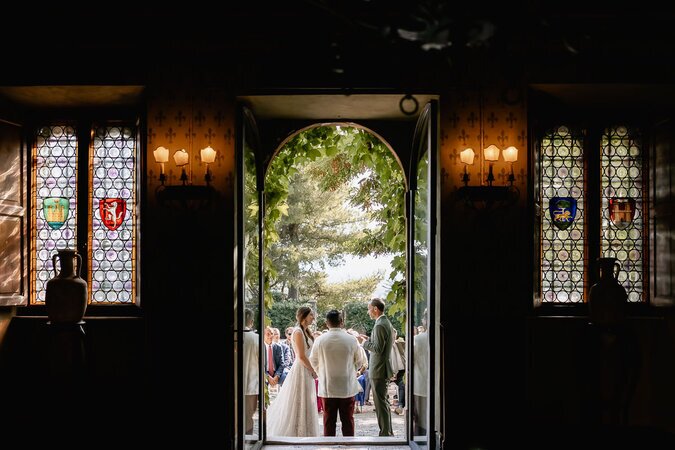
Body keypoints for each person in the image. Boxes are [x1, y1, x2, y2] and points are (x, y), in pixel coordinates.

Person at [309, 310, 366, 437]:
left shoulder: (320, 340)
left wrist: (321, 371)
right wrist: (351, 370)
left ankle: (329, 446)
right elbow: (359, 360)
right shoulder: (351, 339)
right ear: (341, 322)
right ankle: (349, 445)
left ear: (326, 323)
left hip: (328, 384)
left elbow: (313, 360)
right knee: (348, 420)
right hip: (347, 384)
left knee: (329, 421)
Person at [266, 306, 320, 437]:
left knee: (307, 399)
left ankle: (307, 430)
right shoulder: (297, 332)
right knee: (298, 400)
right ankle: (297, 431)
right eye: (311, 315)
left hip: (307, 369)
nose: (313, 317)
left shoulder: (307, 331)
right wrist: (313, 370)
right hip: (301, 369)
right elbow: (301, 356)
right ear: (304, 316)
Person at [361, 297, 395, 436]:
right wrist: (368, 339)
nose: (368, 312)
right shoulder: (384, 322)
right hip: (382, 368)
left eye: (369, 308)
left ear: (375, 309)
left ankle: (385, 433)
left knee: (380, 404)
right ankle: (388, 431)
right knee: (383, 402)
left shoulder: (380, 324)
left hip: (379, 369)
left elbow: (378, 348)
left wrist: (363, 343)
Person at [242, 309, 259, 435]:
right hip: (251, 383)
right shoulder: (256, 338)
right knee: (248, 417)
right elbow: (261, 363)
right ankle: (247, 441)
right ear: (251, 322)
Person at [413, 312, 429, 436]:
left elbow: (411, 361)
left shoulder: (418, 339)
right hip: (435, 386)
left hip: (420, 384)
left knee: (422, 422)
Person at [263, 326, 285, 392]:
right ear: (263, 335)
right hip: (264, 372)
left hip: (276, 372)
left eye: (272, 333)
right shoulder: (260, 347)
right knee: (262, 382)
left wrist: (277, 375)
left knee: (286, 378)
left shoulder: (278, 347)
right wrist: (267, 376)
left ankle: (283, 400)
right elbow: (258, 365)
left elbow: (282, 364)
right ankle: (265, 402)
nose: (270, 336)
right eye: (268, 334)